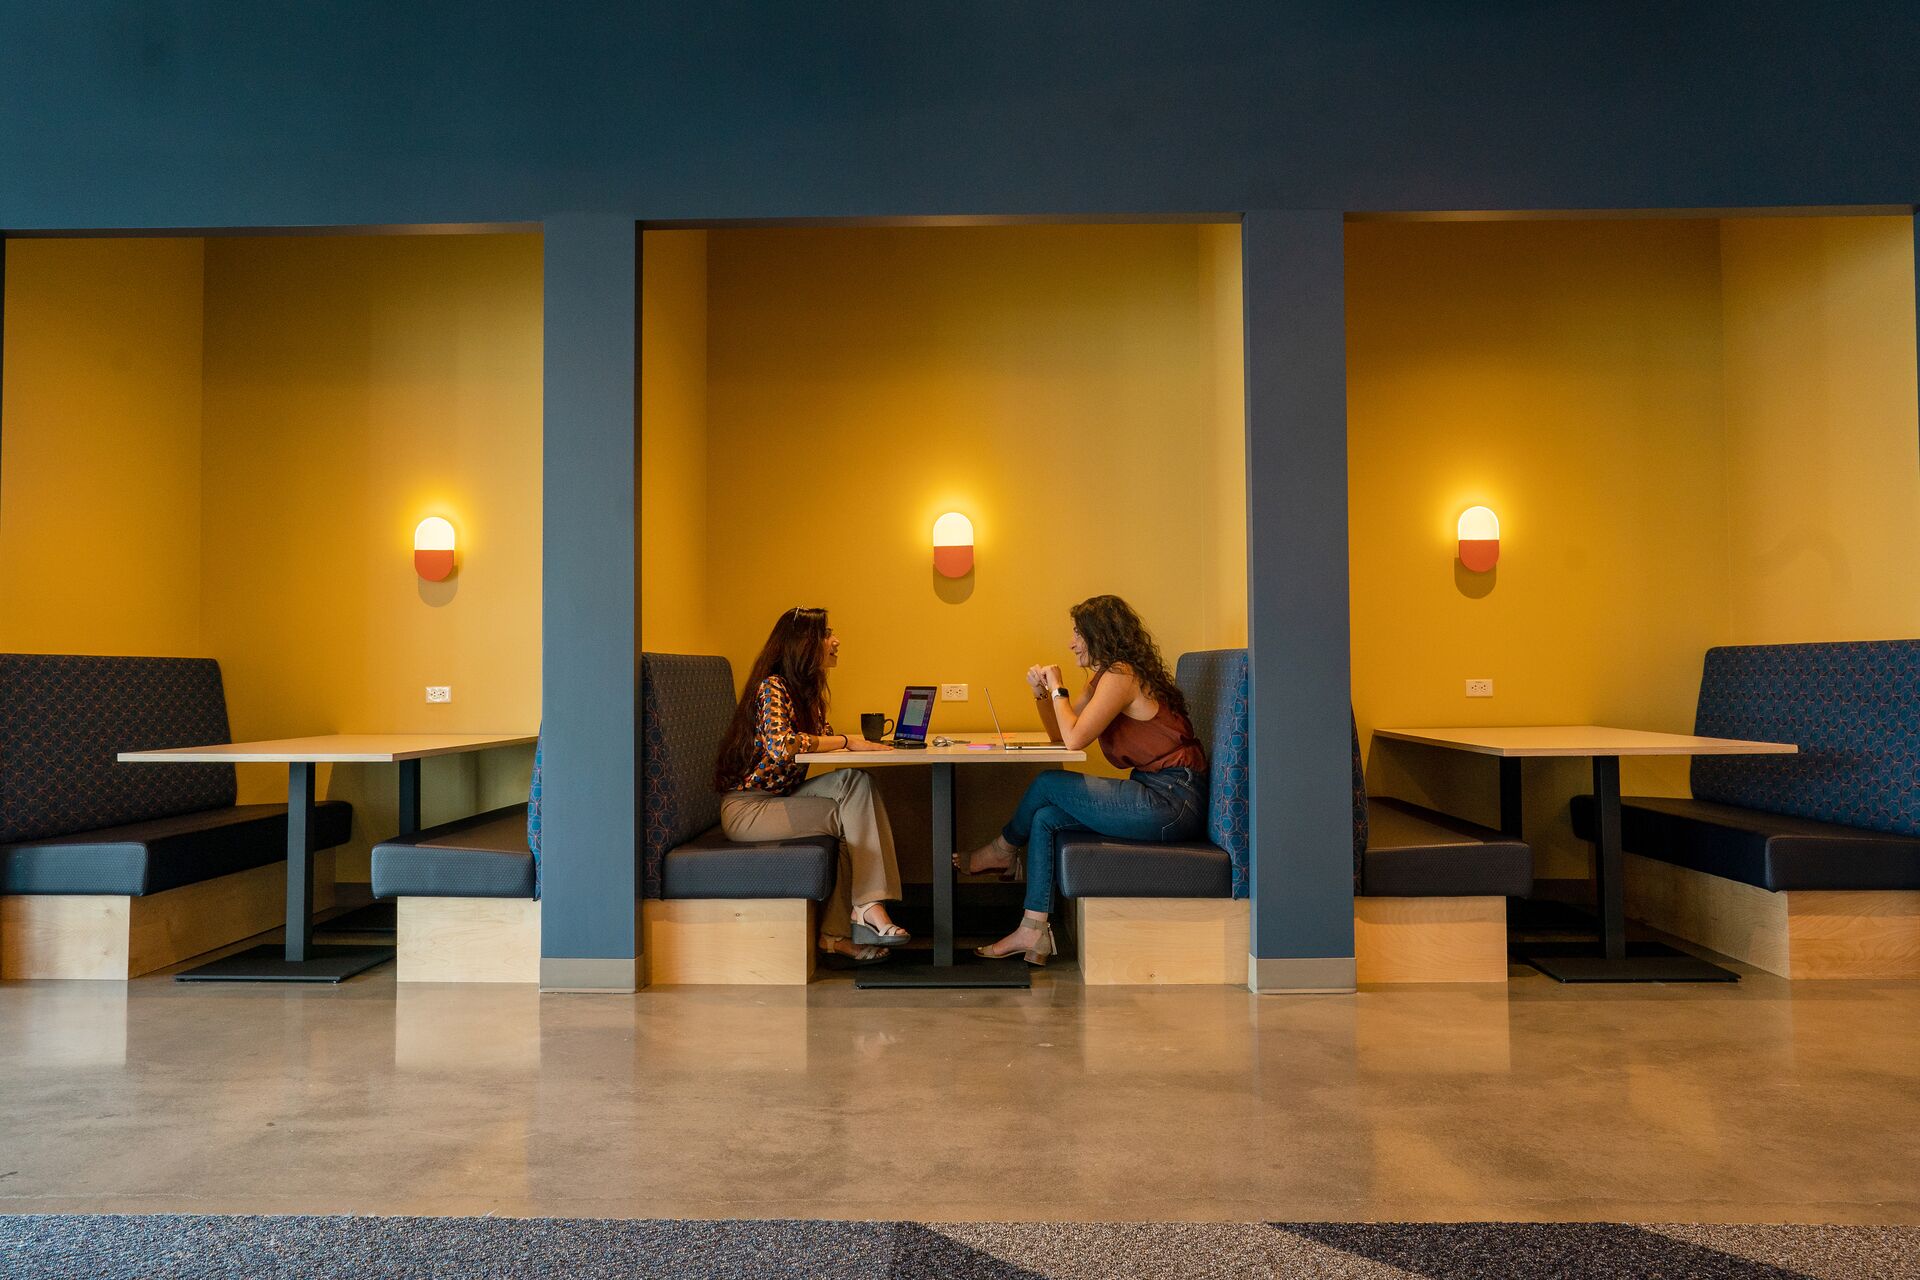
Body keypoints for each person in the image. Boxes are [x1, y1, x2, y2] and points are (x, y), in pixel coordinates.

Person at [956, 595, 1208, 964]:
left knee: (1046, 783)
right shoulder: (1106, 677)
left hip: (1172, 801)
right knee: (1045, 819)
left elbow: (1074, 739)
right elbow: (1059, 735)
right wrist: (1042, 692)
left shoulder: (1122, 675)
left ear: (1097, 634)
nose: (1071, 643)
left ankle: (1002, 851)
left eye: (1077, 633)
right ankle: (1033, 930)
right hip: (1155, 792)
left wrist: (1059, 685)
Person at [713, 607, 909, 963]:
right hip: (748, 810)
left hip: (779, 800)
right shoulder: (772, 687)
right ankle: (860, 912)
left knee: (857, 789)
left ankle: (845, 926)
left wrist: (854, 742)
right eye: (826, 634)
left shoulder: (807, 694)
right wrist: (849, 741)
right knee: (855, 808)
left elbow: (819, 741)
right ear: (804, 644)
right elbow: (783, 745)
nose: (835, 641)